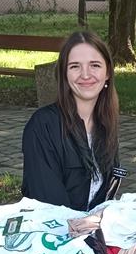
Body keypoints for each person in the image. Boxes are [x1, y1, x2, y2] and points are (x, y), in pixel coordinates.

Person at [22, 30, 120, 210]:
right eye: (75, 66)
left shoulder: (105, 123)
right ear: (65, 74)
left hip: (93, 224)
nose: (85, 75)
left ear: (107, 73)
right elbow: (49, 206)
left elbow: (106, 196)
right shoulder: (42, 126)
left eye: (95, 65)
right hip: (53, 225)